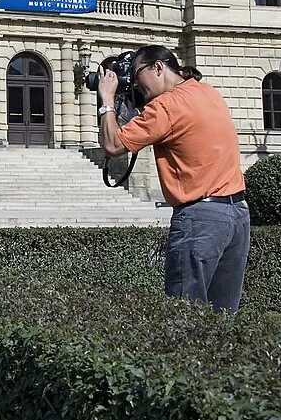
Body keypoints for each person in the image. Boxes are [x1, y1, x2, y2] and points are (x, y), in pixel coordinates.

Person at [98, 45, 249, 313]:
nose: (135, 83)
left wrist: (107, 100)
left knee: (184, 317)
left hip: (200, 218)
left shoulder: (167, 107)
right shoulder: (207, 92)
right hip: (237, 215)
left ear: (158, 67)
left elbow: (112, 145)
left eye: (136, 74)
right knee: (223, 320)